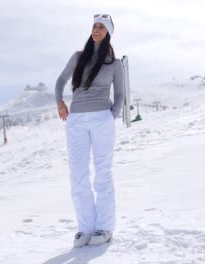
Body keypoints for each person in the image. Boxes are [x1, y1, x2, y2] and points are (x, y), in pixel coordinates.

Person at [55, 14, 124, 248]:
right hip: (76, 120)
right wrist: (60, 102)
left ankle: (104, 227)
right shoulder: (78, 57)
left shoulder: (114, 64)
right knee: (78, 175)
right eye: (94, 26)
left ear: (108, 33)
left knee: (102, 173)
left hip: (101, 119)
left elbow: (121, 95)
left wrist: (109, 116)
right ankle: (85, 228)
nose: (96, 30)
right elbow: (60, 81)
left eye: (101, 28)